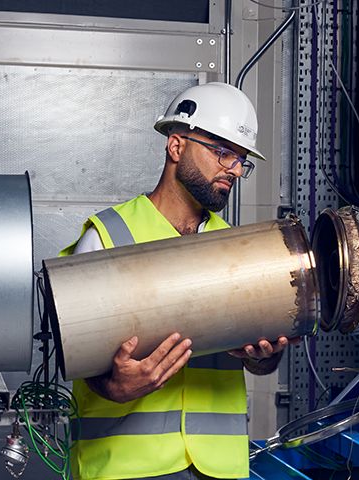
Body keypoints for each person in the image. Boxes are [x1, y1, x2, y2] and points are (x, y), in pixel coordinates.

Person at [59, 82, 292, 480]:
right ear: (177, 146)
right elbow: (72, 353)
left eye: (241, 160)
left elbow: (259, 362)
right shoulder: (108, 237)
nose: (234, 169)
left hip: (217, 468)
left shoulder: (237, 250)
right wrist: (112, 387)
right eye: (222, 153)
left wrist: (264, 356)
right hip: (125, 469)